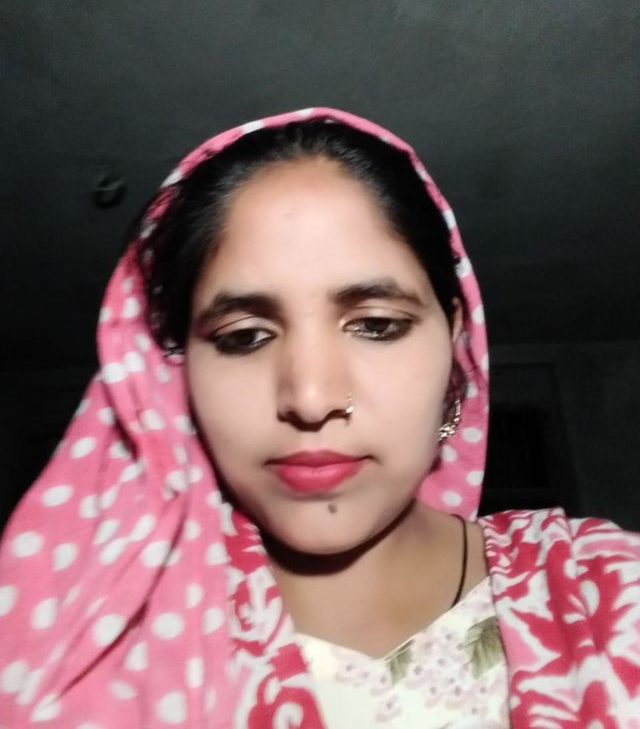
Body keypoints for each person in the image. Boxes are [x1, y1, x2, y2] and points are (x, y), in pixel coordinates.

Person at [1, 107, 639, 728]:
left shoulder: (606, 592)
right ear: (177, 374)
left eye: (377, 325)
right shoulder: (82, 646)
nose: (309, 399)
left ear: (454, 340)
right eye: (244, 336)